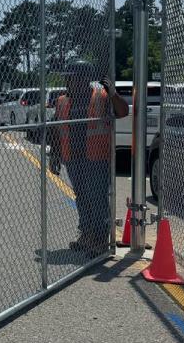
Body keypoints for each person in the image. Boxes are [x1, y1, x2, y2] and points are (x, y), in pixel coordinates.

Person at [48, 60, 128, 251]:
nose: (68, 82)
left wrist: (113, 93)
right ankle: (87, 234)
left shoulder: (101, 96)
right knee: (82, 197)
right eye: (67, 79)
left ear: (85, 79)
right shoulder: (62, 101)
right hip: (73, 158)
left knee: (97, 198)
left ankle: (100, 239)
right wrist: (55, 156)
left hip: (96, 157)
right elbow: (57, 131)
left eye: (72, 79)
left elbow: (123, 112)